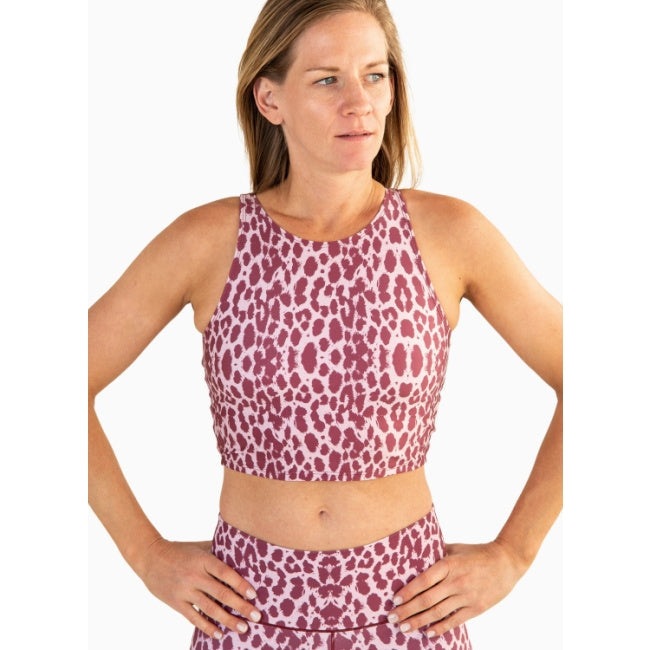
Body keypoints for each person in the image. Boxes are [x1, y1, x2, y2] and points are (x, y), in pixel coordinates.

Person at [88, 0, 562, 648]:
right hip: (245, 615)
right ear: (270, 98)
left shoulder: (450, 234)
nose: (358, 103)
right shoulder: (207, 241)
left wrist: (514, 554)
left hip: (410, 615)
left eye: (375, 75)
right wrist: (145, 555)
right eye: (327, 79)